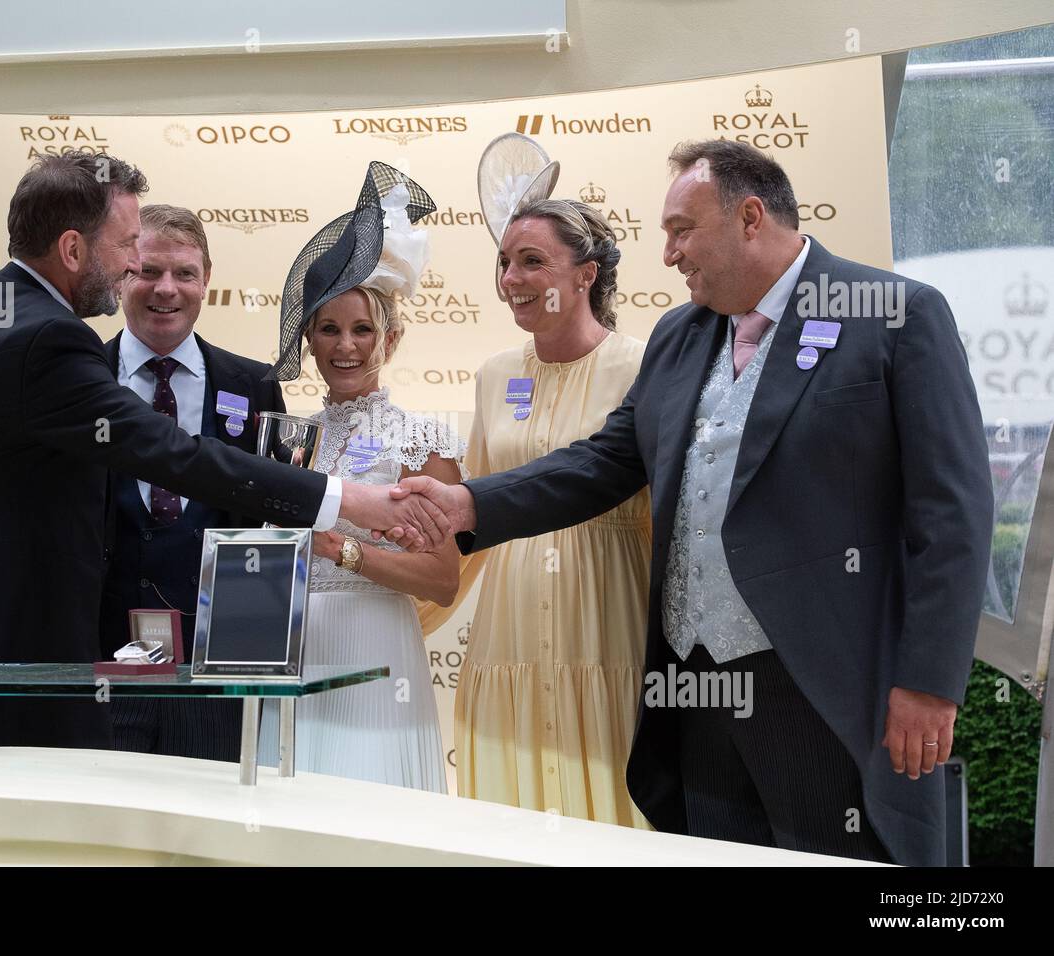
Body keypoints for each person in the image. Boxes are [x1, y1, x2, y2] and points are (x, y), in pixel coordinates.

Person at [395, 139, 992, 865]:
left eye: (682, 230)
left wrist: (929, 684)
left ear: (748, 218)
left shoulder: (894, 315)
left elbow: (952, 514)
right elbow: (604, 462)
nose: (670, 255)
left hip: (822, 691)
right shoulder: (681, 335)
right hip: (694, 688)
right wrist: (469, 505)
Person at [0, 152, 450, 752]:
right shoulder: (50, 338)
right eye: (127, 246)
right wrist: (349, 499)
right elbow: (175, 454)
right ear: (72, 250)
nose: (134, 264)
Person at [451, 133, 652, 824]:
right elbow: (467, 519)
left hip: (610, 635)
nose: (511, 279)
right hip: (503, 640)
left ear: (586, 274)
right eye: (504, 262)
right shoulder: (493, 376)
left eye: (532, 261)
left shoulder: (645, 368)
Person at [256, 161, 459, 790]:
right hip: (291, 656)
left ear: (390, 339)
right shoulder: (287, 441)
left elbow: (443, 579)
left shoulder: (422, 439)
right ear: (309, 341)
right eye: (330, 330)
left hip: (377, 656)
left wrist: (337, 548)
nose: (347, 346)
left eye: (362, 329)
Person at [98, 203, 286, 760]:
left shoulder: (255, 386)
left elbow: (275, 518)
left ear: (208, 280)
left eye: (184, 273)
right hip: (100, 667)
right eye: (147, 271)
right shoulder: (77, 377)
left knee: (209, 836)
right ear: (121, 275)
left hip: (219, 675)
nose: (166, 289)